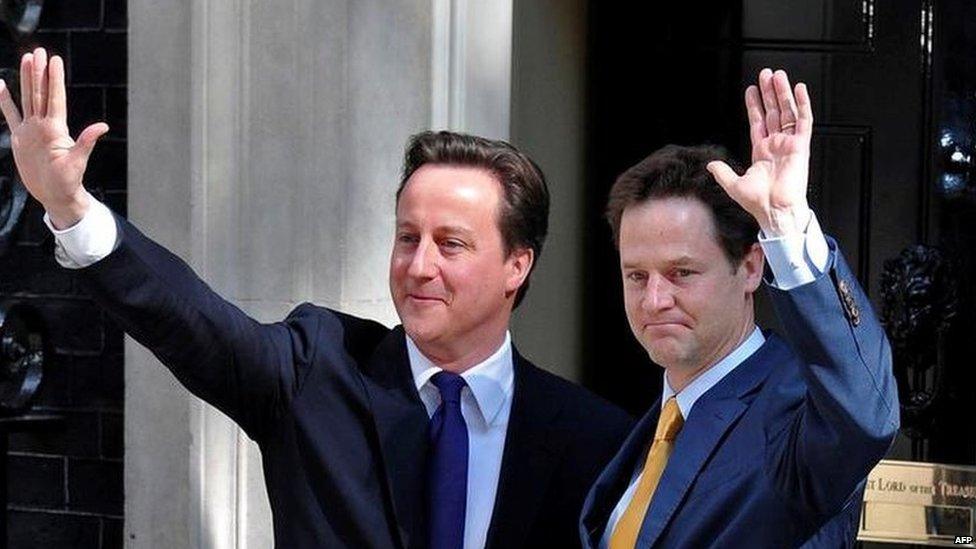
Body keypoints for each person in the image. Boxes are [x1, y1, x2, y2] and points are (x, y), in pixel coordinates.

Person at [2, 47, 633, 549]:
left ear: (516, 265)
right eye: (407, 237)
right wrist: (71, 208)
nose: (419, 266)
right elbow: (188, 319)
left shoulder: (592, 438)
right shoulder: (316, 369)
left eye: (452, 244)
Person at [579, 69, 899, 548]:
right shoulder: (642, 434)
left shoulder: (793, 406)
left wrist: (784, 222)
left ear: (751, 268)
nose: (654, 300)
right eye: (636, 276)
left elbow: (865, 416)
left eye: (682, 273)